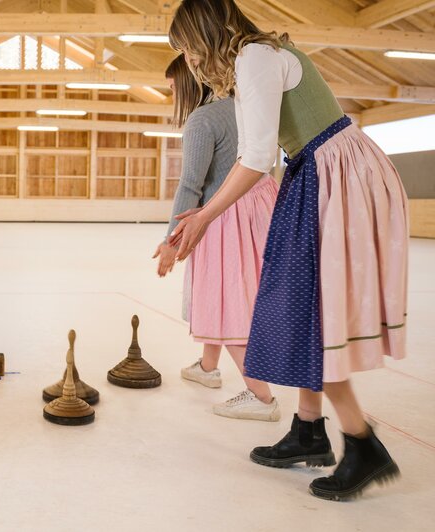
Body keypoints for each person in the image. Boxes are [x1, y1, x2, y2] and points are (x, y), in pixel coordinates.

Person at [168, 0, 407, 501]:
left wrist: (203, 217)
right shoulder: (254, 59)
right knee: (298, 306)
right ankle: (308, 430)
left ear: (204, 35)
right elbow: (253, 151)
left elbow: (255, 158)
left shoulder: (254, 56)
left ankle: (362, 444)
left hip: (331, 174)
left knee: (309, 314)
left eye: (187, 47)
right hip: (315, 171)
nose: (188, 60)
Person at [154, 55, 280, 422]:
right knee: (226, 295)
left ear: (190, 83)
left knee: (226, 303)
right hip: (262, 208)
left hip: (226, 217)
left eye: (173, 88)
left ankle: (260, 396)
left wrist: (169, 241)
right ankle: (208, 368)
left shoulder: (201, 120)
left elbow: (190, 187)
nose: (172, 95)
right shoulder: (241, 107)